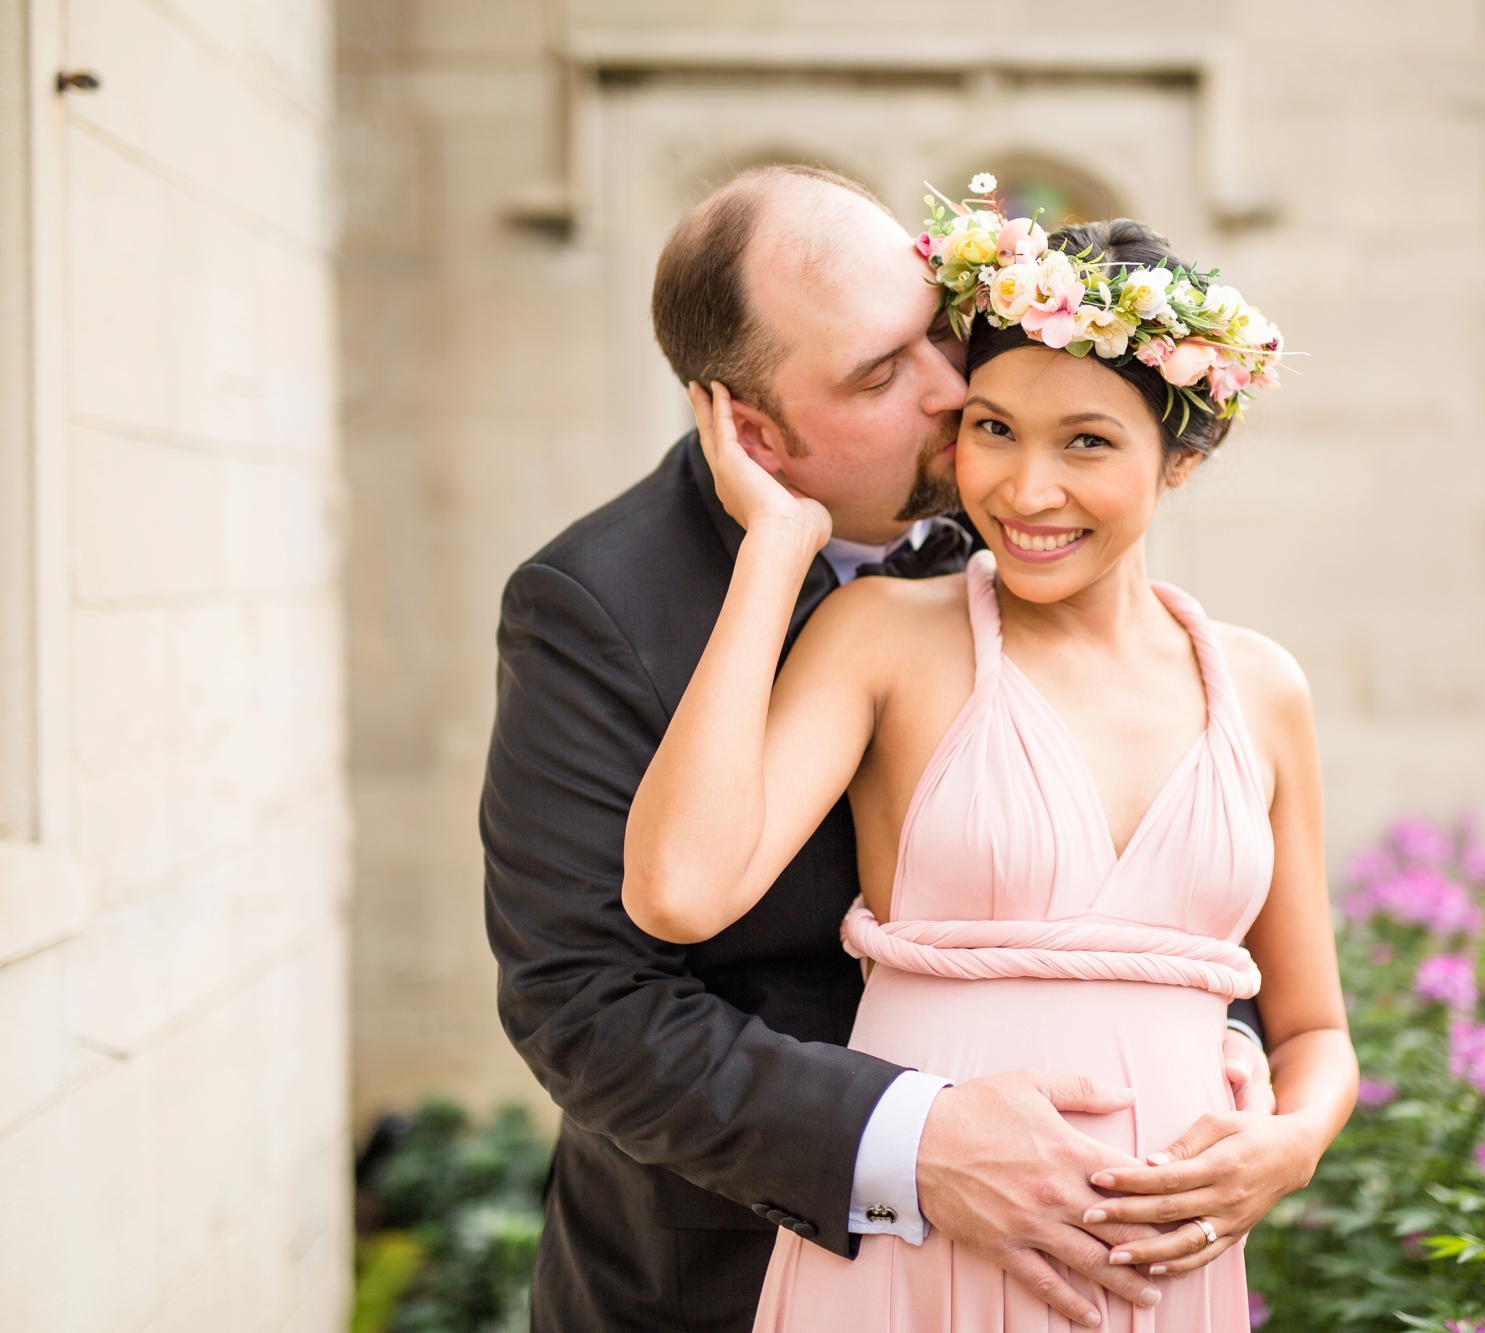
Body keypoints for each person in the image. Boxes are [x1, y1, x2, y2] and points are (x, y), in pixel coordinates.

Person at [481, 165, 1287, 1333]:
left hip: (1086, 1263)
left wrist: (1219, 1056)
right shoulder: (593, 606)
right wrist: (910, 1140)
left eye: (931, 337)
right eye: (878, 373)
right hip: (728, 1274)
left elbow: (1173, 846)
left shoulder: (1021, 515)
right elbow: (583, 1004)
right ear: (753, 434)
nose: (952, 392)